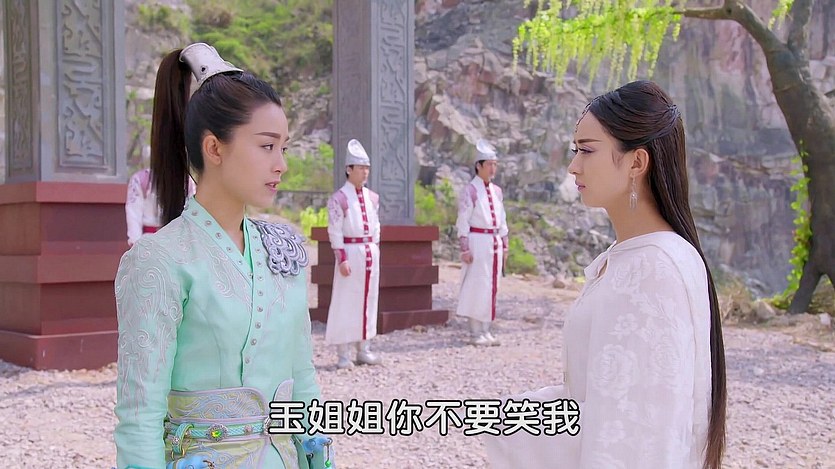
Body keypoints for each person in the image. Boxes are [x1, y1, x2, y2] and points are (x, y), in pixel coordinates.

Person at [482, 80, 726, 469]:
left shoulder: (653, 269)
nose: (573, 165)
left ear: (636, 162)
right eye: (574, 150)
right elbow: (600, 398)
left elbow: (634, 438)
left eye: (587, 150)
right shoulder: (634, 256)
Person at [113, 43, 333, 469]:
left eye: (284, 148)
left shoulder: (283, 250)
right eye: (267, 146)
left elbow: (303, 379)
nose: (281, 165)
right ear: (214, 149)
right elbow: (140, 414)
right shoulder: (159, 260)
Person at [324, 139, 383, 369]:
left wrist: (374, 248)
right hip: (350, 252)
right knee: (346, 301)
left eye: (367, 168)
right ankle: (343, 353)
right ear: (349, 169)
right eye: (361, 168)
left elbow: (376, 226)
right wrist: (342, 258)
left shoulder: (373, 198)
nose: (365, 172)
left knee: (369, 299)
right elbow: (335, 230)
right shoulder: (339, 198)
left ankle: (364, 348)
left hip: (369, 252)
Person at [455, 139, 509, 346]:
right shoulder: (471, 190)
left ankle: (486, 328)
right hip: (477, 241)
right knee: (476, 285)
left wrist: (504, 244)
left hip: (493, 241)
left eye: (495, 164)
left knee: (491, 285)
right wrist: (465, 247)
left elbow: (502, 220)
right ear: (479, 166)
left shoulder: (497, 192)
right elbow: (463, 220)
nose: (493, 169)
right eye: (489, 164)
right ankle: (475, 330)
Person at [125, 159, 196, 247]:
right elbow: (134, 214)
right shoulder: (141, 179)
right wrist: (136, 243)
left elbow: (191, 213)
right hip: (148, 241)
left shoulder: (187, 181)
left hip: (177, 242)